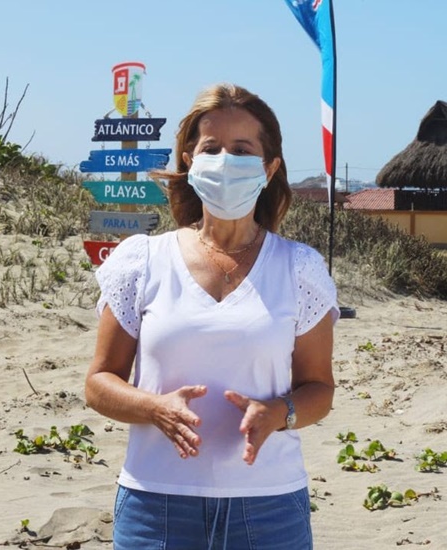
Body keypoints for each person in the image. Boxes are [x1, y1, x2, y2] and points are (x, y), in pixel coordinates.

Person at [85, 82, 339, 549]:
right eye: (211, 148)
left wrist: (279, 412)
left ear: (269, 167)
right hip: (154, 506)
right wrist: (153, 407)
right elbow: (99, 382)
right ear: (189, 160)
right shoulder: (141, 260)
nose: (225, 160)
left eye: (242, 149)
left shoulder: (299, 268)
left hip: (269, 509)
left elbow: (319, 389)